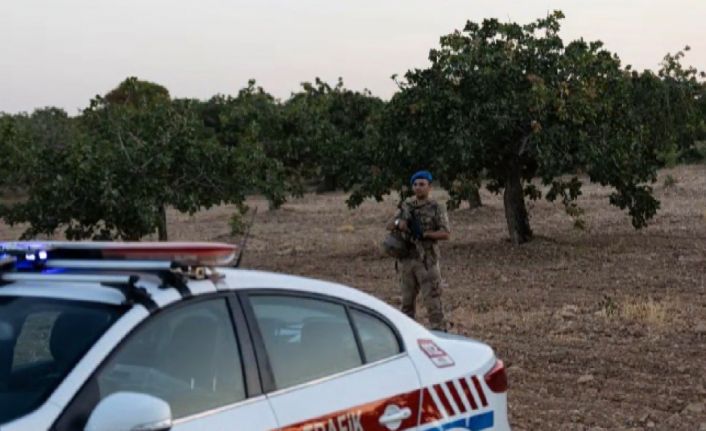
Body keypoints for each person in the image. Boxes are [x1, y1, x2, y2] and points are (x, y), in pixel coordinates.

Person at [387, 170, 450, 331]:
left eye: (422, 184)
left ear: (429, 187)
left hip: (426, 261)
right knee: (406, 303)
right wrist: (398, 223)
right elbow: (389, 225)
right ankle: (408, 335)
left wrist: (425, 234)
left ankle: (439, 334)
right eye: (415, 184)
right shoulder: (406, 206)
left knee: (433, 303)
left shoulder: (436, 207)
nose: (418, 188)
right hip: (407, 260)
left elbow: (445, 233)